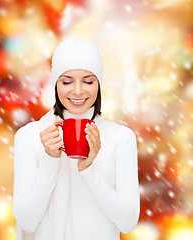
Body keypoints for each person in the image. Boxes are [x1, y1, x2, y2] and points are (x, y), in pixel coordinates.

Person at [13, 39, 140, 240]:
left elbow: (127, 222)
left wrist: (89, 169)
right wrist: (49, 161)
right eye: (67, 81)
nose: (78, 91)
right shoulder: (30, 137)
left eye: (88, 81)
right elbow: (26, 220)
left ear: (99, 83)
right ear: (55, 84)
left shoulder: (121, 138)